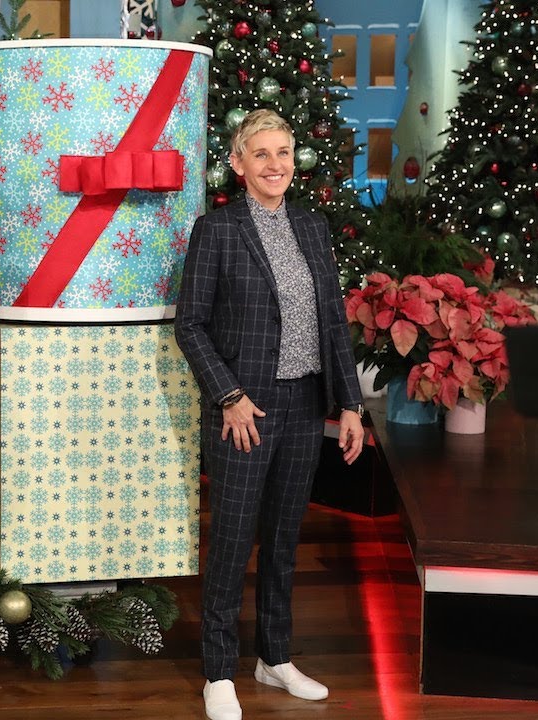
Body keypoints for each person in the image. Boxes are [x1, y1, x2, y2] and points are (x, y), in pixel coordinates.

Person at [174, 109, 366, 720]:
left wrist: (351, 405)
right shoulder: (217, 230)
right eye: (261, 153)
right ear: (238, 162)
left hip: (305, 405)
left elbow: (333, 321)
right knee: (233, 542)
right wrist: (229, 396)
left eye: (283, 152)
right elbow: (190, 324)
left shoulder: (311, 226)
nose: (275, 164)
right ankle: (218, 671)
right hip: (245, 410)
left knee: (284, 541)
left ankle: (274, 658)